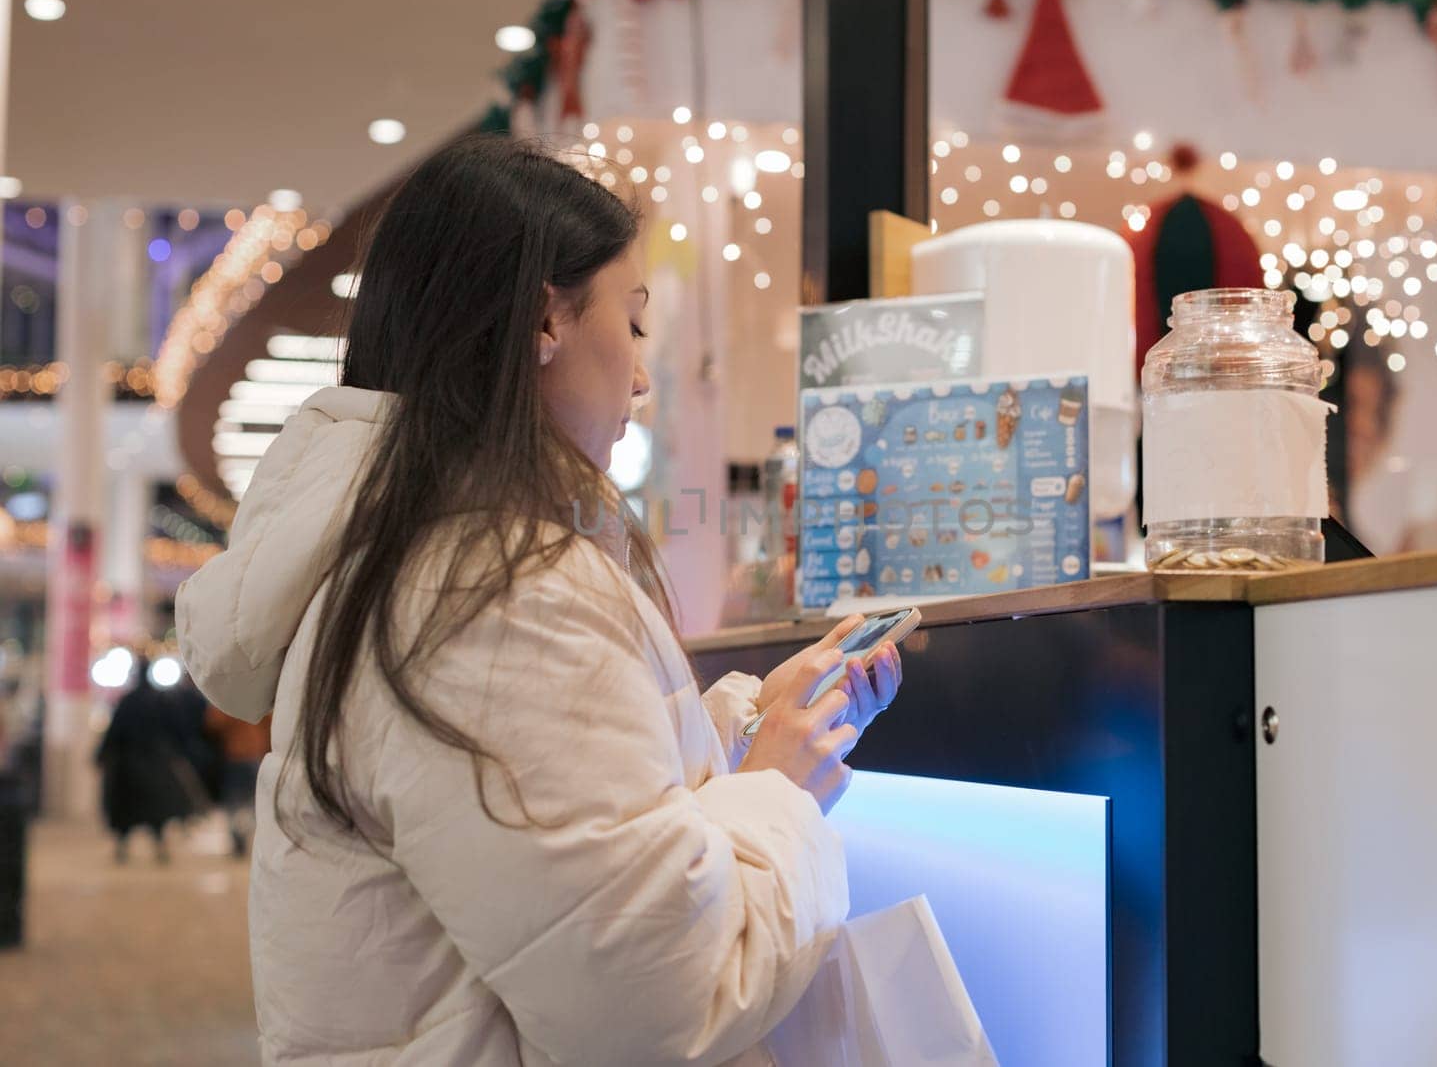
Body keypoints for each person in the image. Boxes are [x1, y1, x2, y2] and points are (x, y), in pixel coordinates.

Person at [177, 135, 902, 1066]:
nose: (641, 373)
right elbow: (660, 998)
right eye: (633, 323)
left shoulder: (431, 561)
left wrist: (751, 726)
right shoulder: (491, 587)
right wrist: (776, 792)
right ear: (544, 323)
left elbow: (547, 839)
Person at [94, 657, 204, 863]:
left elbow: (115, 731)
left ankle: (122, 846)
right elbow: (177, 731)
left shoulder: (128, 701)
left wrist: (101, 755)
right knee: (157, 809)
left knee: (126, 810)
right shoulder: (160, 700)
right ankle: (159, 845)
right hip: (156, 762)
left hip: (128, 764)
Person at [203, 703, 270, 858]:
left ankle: (238, 838)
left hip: (236, 756)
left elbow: (213, 724)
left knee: (234, 801)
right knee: (252, 801)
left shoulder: (228, 702)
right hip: (255, 755)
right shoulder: (260, 702)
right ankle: (244, 836)